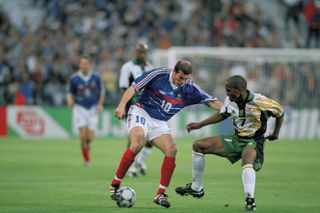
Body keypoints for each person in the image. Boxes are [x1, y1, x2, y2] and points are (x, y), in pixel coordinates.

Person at [108, 60, 223, 208]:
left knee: (172, 150)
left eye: (186, 78)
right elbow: (133, 87)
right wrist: (121, 105)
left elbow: (212, 102)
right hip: (141, 111)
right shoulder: (158, 75)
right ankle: (115, 185)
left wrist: (233, 109)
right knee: (138, 143)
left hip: (160, 122)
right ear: (174, 72)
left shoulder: (190, 88)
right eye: (181, 77)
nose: (183, 82)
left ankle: (160, 194)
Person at [175, 75, 284, 211]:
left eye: (229, 90)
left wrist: (276, 133)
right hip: (236, 139)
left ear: (238, 90)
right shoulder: (230, 100)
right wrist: (199, 125)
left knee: (247, 158)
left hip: (254, 141)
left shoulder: (260, 101)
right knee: (198, 146)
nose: (226, 93)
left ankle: (250, 198)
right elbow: (223, 114)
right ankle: (196, 188)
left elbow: (280, 111)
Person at [119, 42, 153, 177]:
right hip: (133, 105)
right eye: (140, 52)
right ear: (136, 52)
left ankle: (140, 161)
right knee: (134, 136)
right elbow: (123, 87)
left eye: (144, 52)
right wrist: (123, 105)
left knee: (151, 136)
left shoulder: (150, 66)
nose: (142, 55)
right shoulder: (127, 67)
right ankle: (130, 165)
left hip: (149, 105)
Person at [66, 55, 105, 166]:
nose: (84, 65)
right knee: (82, 136)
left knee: (89, 137)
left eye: (86, 63)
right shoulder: (74, 78)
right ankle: (86, 159)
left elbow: (102, 91)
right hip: (79, 108)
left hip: (93, 108)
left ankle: (87, 149)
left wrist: (100, 104)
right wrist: (69, 101)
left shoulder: (96, 77)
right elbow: (69, 92)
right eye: (82, 63)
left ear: (89, 65)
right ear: (79, 65)